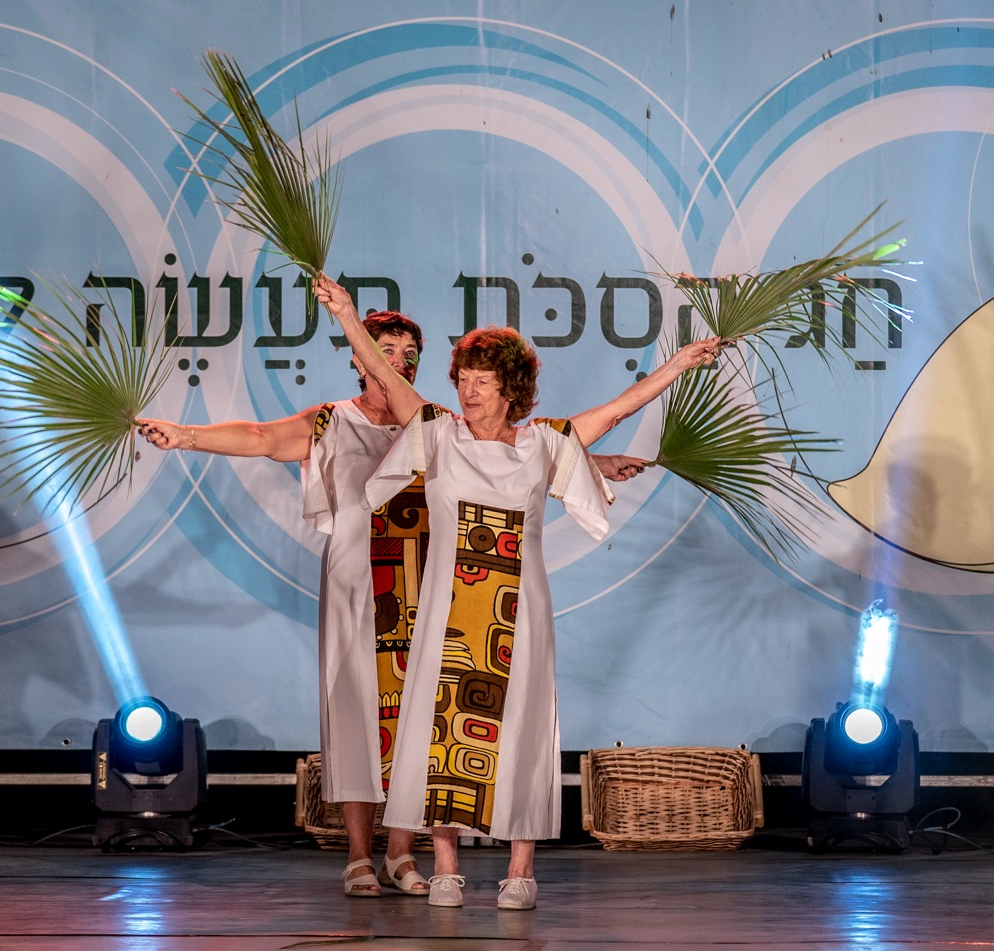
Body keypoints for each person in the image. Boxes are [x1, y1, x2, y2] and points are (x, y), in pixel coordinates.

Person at [135, 308, 647, 899]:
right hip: (361, 584)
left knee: (421, 722)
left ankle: (402, 852)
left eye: (409, 354)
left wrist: (596, 464)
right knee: (358, 712)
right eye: (386, 351)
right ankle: (360, 854)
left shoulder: (434, 421)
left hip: (427, 584)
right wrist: (185, 434)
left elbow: (503, 460)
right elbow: (260, 437)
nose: (399, 362)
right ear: (361, 358)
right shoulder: (333, 421)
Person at [314, 274, 721, 910]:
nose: (468, 390)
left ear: (511, 389)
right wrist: (344, 312)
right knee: (439, 729)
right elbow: (387, 381)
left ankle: (520, 869)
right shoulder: (436, 433)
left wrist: (679, 363)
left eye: (482, 380)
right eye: (463, 378)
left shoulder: (545, 443)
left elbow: (619, 408)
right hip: (448, 609)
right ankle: (446, 866)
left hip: (517, 612)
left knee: (522, 729)